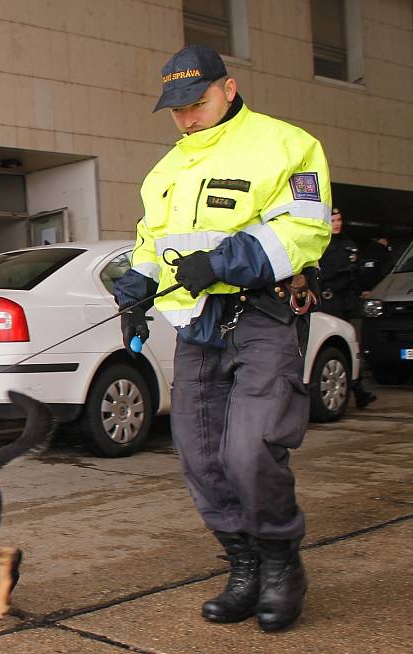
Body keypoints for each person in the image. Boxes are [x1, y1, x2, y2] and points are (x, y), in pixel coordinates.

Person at [114, 45, 332, 632]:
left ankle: (281, 563)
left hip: (263, 316)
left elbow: (306, 228)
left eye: (198, 102)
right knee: (201, 456)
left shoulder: (288, 145)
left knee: (251, 449)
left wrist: (224, 261)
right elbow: (152, 244)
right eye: (176, 109)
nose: (187, 117)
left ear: (228, 88)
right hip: (196, 326)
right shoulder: (166, 170)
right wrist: (134, 289)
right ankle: (244, 566)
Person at [317, 208, 376, 407]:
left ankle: (358, 389)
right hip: (329, 302)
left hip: (347, 302)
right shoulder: (320, 243)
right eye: (333, 219)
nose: (336, 223)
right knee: (335, 346)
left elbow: (356, 274)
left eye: (339, 219)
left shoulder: (349, 245)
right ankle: (358, 389)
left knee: (354, 346)